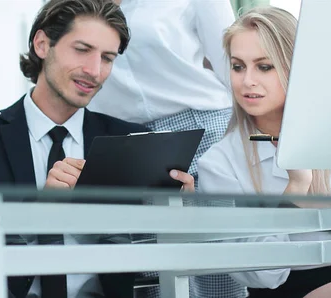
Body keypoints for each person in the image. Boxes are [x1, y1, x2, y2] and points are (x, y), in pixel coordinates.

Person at [0, 0, 195, 297]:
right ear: (42, 44)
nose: (95, 71)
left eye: (108, 58)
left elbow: (152, 258)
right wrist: (38, 214)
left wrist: (177, 214)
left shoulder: (131, 141)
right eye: (82, 50)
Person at [88, 1, 241, 297]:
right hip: (125, 141)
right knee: (154, 273)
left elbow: (232, 65)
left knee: (215, 269)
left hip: (201, 128)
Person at [198, 6, 331, 298]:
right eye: (238, 66)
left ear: (294, 66)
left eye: (264, 66)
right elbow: (260, 274)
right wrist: (294, 194)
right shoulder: (219, 163)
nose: (247, 80)